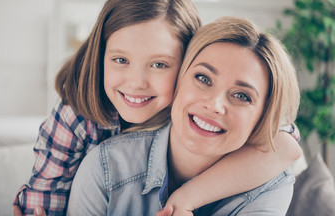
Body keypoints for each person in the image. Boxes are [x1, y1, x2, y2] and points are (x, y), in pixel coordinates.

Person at [13, 0, 300, 216]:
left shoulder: (208, 112)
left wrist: (186, 198)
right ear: (100, 58)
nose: (137, 82)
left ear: (187, 61)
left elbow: (285, 146)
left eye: (159, 64)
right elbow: (42, 200)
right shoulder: (78, 118)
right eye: (120, 60)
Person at [66, 16, 300, 215]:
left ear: (263, 116)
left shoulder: (271, 187)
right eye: (203, 78)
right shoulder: (105, 168)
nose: (214, 105)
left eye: (242, 96)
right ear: (178, 79)